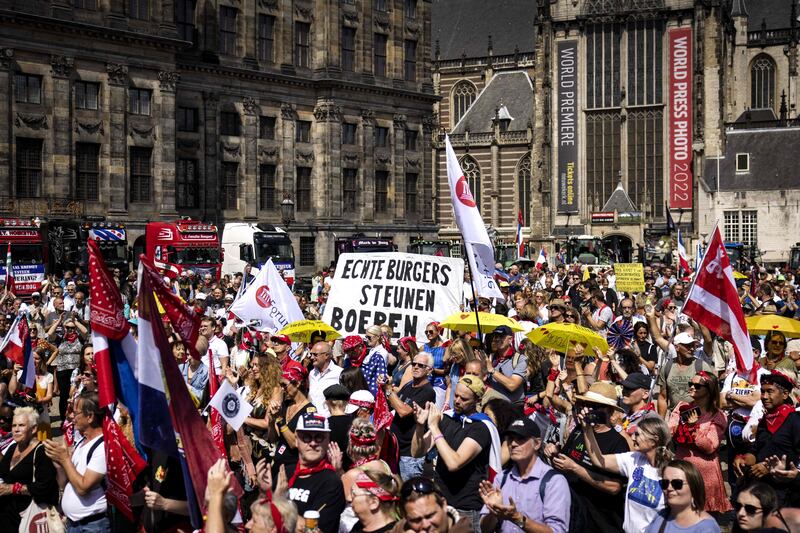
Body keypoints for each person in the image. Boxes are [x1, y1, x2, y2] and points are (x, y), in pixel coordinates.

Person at [411, 376, 498, 531]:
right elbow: (417, 452)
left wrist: (435, 428)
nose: (457, 401)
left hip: (464, 506)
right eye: (456, 395)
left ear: (477, 400)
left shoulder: (480, 427)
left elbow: (454, 463)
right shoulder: (448, 418)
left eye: (464, 399)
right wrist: (419, 426)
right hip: (440, 501)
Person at [545, 381, 630, 532]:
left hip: (599, 523)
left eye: (595, 406)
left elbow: (614, 487)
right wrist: (553, 455)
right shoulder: (579, 430)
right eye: (586, 404)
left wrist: (575, 468)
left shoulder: (618, 443)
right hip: (572, 517)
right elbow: (565, 463)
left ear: (609, 411)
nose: (588, 409)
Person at [580, 415, 673, 533]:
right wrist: (587, 429)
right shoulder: (634, 459)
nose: (633, 437)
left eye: (638, 434)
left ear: (654, 440)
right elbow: (599, 460)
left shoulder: (672, 471)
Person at [479, 417, 570, 533]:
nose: (513, 444)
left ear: (537, 444)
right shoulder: (501, 478)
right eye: (510, 439)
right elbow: (484, 529)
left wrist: (517, 518)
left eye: (520, 439)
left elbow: (558, 531)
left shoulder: (554, 481)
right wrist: (492, 512)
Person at [44, 390, 109, 532]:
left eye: (76, 412)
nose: (71, 416)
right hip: (74, 524)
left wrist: (65, 459)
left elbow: (83, 487)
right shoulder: (82, 442)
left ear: (90, 416)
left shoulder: (102, 447)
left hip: (92, 526)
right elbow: (64, 483)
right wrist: (59, 465)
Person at [733, 370, 800, 507]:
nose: (764, 396)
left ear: (785, 394)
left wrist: (772, 468)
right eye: (762, 392)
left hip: (784, 493)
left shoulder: (795, 421)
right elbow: (756, 449)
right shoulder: (765, 420)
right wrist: (744, 459)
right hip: (762, 490)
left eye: (770, 391)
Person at [667, 372, 731, 513]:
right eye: (691, 384)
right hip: (682, 467)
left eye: (697, 386)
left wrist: (694, 428)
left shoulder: (717, 415)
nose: (692, 387)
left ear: (709, 390)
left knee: (702, 518)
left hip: (704, 474)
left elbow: (710, 447)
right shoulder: (682, 407)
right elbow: (669, 431)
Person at [285, 412, 346, 533]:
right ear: (296, 440)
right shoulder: (285, 472)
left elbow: (312, 529)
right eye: (306, 437)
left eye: (319, 437)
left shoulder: (331, 482)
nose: (313, 443)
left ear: (328, 440)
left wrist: (277, 505)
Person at [0, 407, 58, 529]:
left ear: (34, 429)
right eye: (14, 425)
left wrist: (13, 489)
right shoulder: (12, 448)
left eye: (21, 425)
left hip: (31, 517)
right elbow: (3, 473)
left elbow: (45, 487)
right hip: (8, 515)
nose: (16, 430)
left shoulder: (42, 451)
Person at [384, 352, 436, 480]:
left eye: (421, 365)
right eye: (414, 364)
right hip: (396, 448)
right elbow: (393, 404)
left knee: (409, 495)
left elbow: (402, 411)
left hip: (409, 454)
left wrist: (389, 390)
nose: (416, 367)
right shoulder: (408, 385)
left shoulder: (428, 391)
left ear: (429, 370)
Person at [645, 460, 721, 533]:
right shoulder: (661, 516)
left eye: (677, 483)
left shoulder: (707, 528)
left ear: (694, 488)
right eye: (665, 483)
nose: (669, 488)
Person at [269, 364, 315, 481]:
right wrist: (271, 421)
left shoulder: (310, 411)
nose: (282, 389)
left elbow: (295, 443)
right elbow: (273, 439)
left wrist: (280, 421)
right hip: (278, 466)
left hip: (293, 469)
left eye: (284, 385)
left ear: (297, 384)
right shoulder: (285, 405)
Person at [653, 330, 714, 417]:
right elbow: (663, 397)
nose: (692, 348)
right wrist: (661, 421)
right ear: (677, 347)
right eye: (687, 346)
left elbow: (712, 393)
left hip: (698, 417)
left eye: (693, 345)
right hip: (675, 418)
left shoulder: (701, 366)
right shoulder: (667, 367)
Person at [395, 477, 472, 533]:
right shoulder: (403, 527)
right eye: (416, 520)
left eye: (430, 516)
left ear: (444, 505)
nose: (425, 525)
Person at [486, 326, 527, 404]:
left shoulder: (520, 359)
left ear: (510, 339)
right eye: (496, 336)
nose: (497, 339)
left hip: (514, 408)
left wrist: (492, 370)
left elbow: (512, 385)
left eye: (501, 336)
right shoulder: (490, 358)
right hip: (494, 406)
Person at [308, 341, 343, 416]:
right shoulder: (312, 373)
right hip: (312, 420)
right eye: (311, 354)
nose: (312, 357)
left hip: (330, 421)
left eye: (315, 354)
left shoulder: (339, 373)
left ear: (326, 355)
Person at [423, 322, 447, 407]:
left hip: (439, 383)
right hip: (424, 382)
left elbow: (447, 371)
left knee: (435, 409)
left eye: (431, 331)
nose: (428, 334)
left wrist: (434, 370)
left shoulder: (445, 348)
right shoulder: (423, 347)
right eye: (426, 332)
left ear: (438, 332)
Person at [362, 327, 389, 396]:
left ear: (377, 337)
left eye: (369, 337)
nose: (367, 339)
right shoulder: (372, 350)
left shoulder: (381, 352)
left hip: (373, 391)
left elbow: (378, 374)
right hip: (366, 388)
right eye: (366, 337)